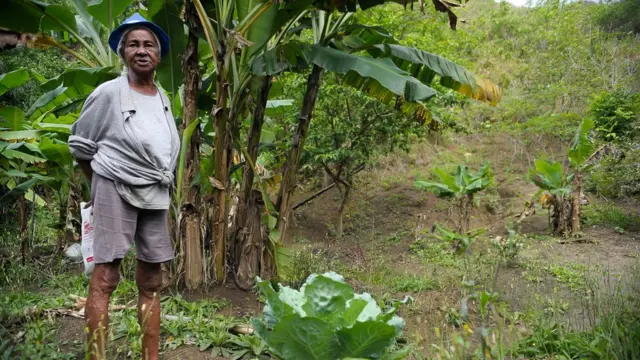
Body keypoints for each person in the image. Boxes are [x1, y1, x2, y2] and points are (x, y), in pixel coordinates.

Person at [68, 13, 179, 360]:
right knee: (106, 277)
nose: (142, 50)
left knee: (151, 281)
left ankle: (151, 356)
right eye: (134, 44)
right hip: (115, 187)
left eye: (149, 45)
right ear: (123, 53)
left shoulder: (161, 96)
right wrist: (102, 185)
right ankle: (97, 355)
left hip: (155, 193)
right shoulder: (108, 93)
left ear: (158, 56)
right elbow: (80, 145)